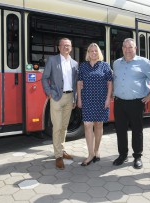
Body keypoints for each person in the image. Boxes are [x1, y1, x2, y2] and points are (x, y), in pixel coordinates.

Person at [112, 38, 150, 169]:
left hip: (136, 102)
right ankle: (122, 155)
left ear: (136, 49)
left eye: (130, 47)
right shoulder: (116, 63)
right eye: (125, 47)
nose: (127, 50)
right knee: (120, 130)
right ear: (122, 48)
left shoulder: (144, 63)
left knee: (137, 129)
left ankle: (137, 156)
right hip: (119, 102)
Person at [41, 38, 79, 170]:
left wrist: (74, 98)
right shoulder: (52, 60)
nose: (66, 47)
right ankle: (58, 156)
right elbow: (45, 78)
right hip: (57, 97)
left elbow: (75, 83)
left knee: (64, 126)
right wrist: (48, 92)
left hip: (69, 98)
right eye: (63, 45)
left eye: (68, 45)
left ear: (71, 47)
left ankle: (61, 150)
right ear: (59, 47)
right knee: (56, 127)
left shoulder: (75, 63)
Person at [77, 43, 113, 166]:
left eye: (95, 51)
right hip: (87, 99)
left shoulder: (105, 66)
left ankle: (97, 150)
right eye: (91, 51)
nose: (93, 53)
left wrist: (108, 99)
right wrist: (79, 99)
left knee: (98, 125)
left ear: (99, 53)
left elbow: (110, 83)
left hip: (101, 99)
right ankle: (90, 153)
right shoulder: (83, 66)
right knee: (87, 125)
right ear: (88, 53)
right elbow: (79, 83)